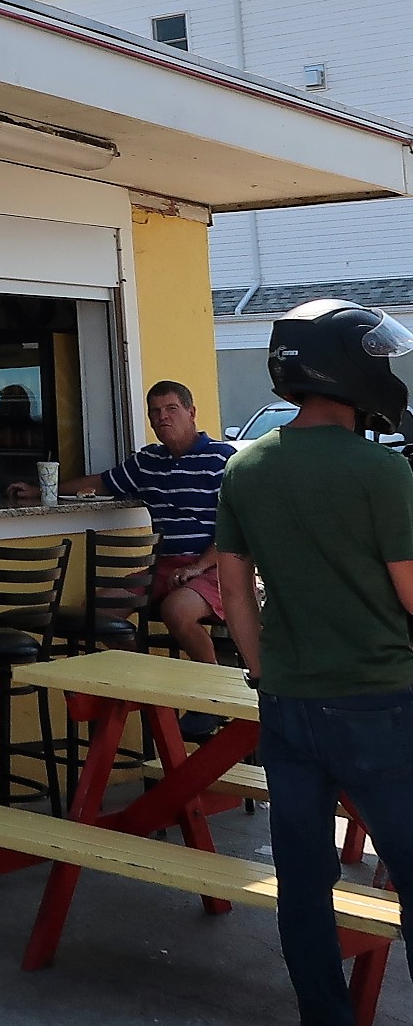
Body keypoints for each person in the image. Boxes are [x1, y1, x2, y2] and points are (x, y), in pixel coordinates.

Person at [215, 299, 413, 1026]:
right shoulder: (380, 471)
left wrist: (267, 672)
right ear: (348, 366)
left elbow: (233, 589)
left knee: (303, 882)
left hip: (287, 705)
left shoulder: (248, 467)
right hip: (380, 702)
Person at [10, 380, 235, 665]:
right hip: (163, 567)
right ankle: (146, 684)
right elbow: (101, 483)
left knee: (176, 611)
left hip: (215, 567)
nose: (162, 417)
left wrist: (197, 567)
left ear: (192, 412)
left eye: (171, 408)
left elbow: (237, 529)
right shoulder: (148, 461)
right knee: (97, 612)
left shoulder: (223, 459)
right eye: (155, 411)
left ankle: (213, 695)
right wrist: (42, 491)